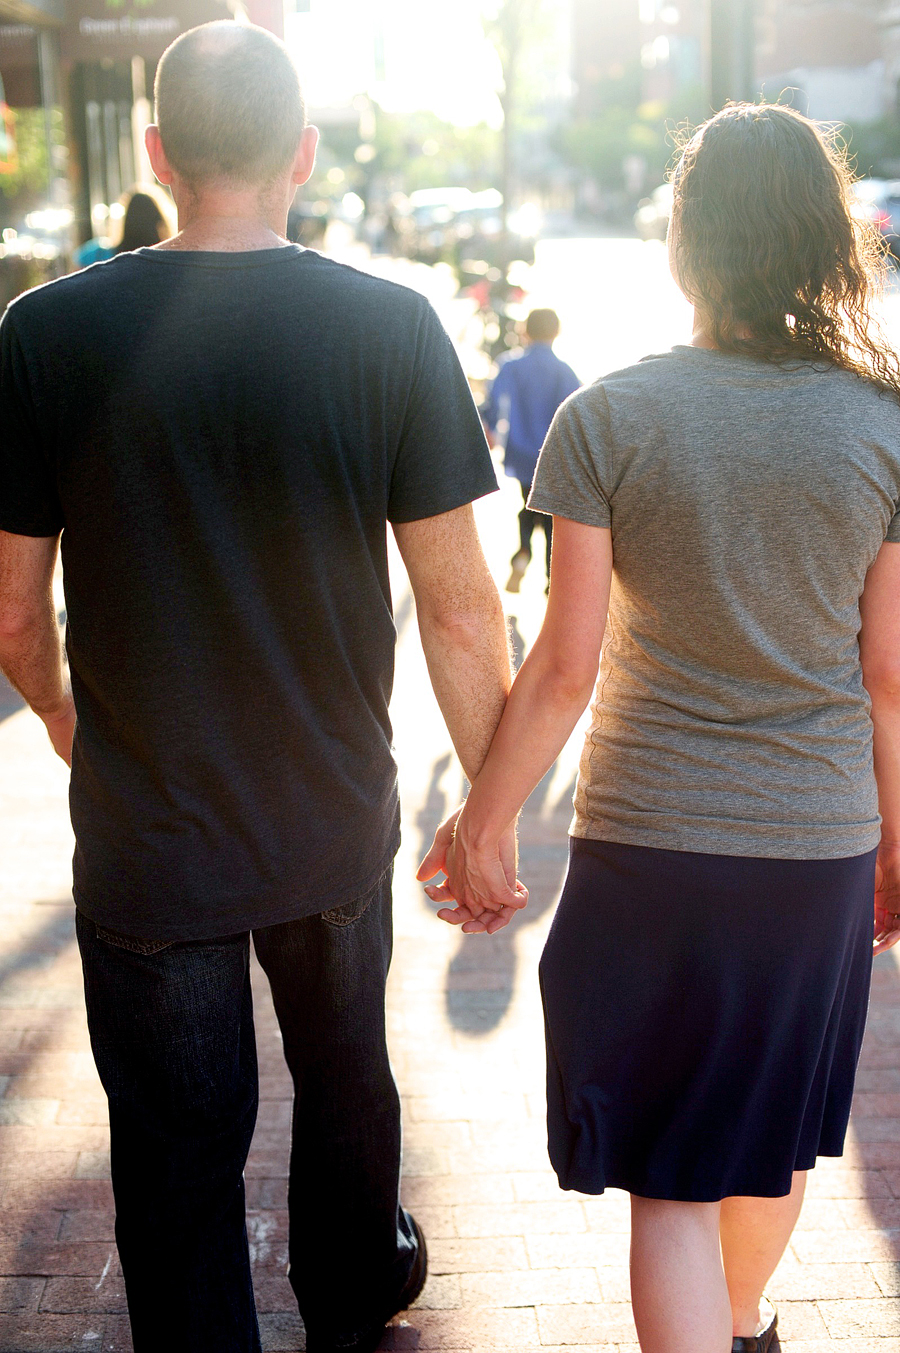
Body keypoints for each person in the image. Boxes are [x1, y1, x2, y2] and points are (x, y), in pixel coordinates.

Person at [0, 21, 521, 1353]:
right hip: (331, 814)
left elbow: (10, 607)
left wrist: (63, 718)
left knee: (174, 1163)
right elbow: (464, 612)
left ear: (161, 155)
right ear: (301, 155)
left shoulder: (43, 334)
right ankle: (353, 1291)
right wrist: (492, 813)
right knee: (349, 1090)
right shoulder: (389, 327)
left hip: (147, 833)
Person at [420, 102, 900, 1353]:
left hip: (654, 847)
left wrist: (484, 825)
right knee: (777, 1129)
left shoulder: (609, 419)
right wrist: (898, 844)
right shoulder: (887, 426)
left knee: (673, 1176)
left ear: (686, 246)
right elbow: (892, 676)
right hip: (818, 848)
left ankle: (723, 1324)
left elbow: (566, 667)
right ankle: (742, 1325)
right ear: (823, 240)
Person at [480, 307, 580, 593]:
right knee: (549, 514)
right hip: (552, 455)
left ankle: (523, 552)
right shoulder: (564, 370)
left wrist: (488, 427)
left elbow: (493, 402)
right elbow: (577, 409)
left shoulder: (510, 365)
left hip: (521, 452)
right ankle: (551, 578)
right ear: (557, 332)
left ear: (525, 331)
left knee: (527, 501)